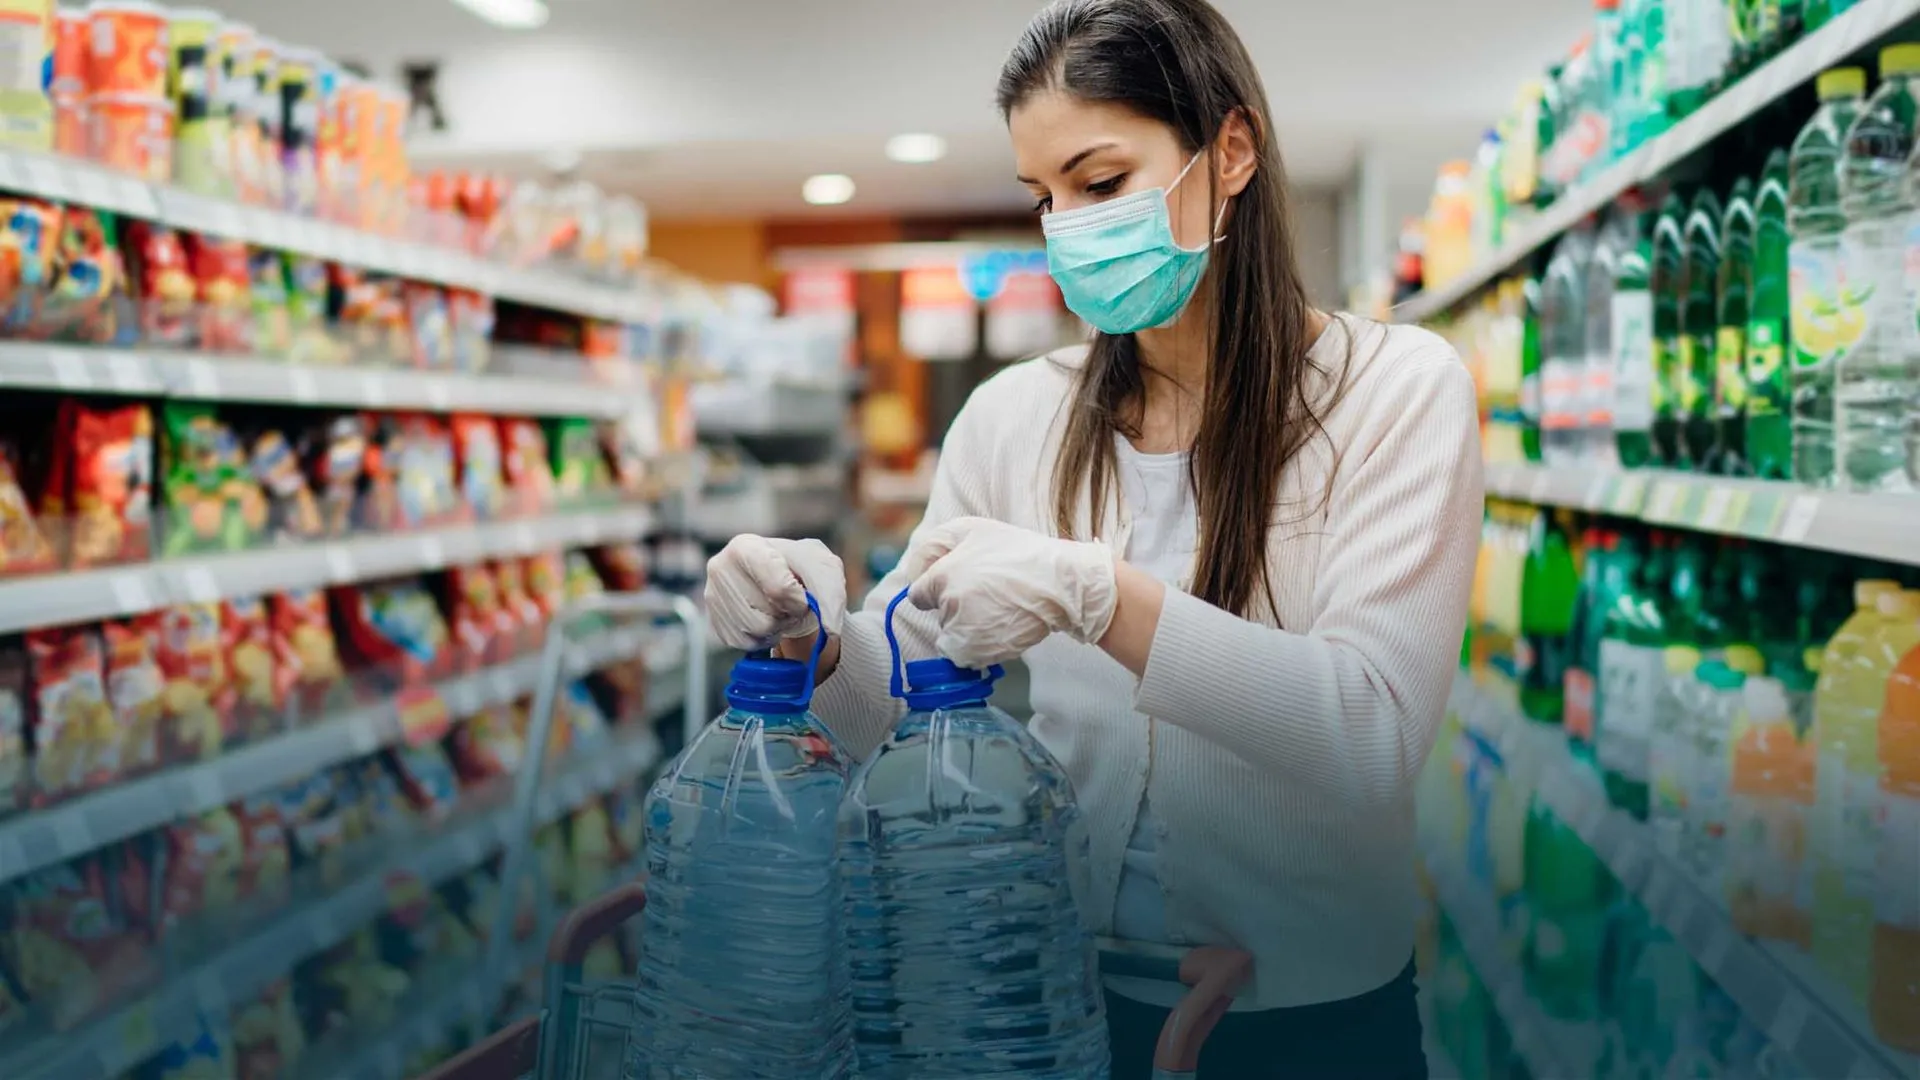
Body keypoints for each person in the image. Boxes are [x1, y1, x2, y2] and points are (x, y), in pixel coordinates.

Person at [703, 0, 1481, 1075]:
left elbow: (1373, 734)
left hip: (1308, 1021)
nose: (1067, 225)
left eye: (1101, 182)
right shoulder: (1015, 416)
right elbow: (896, 679)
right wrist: (813, 635)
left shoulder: (1394, 393)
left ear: (1232, 151)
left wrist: (1104, 598)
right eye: (1044, 196)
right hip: (1051, 1005)